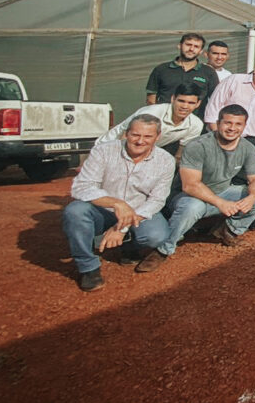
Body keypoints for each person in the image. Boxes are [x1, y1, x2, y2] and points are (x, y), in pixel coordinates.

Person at [139, 104, 255, 270]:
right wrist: (220, 203)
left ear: (245, 126)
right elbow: (190, 185)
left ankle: (229, 230)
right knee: (193, 207)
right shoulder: (199, 145)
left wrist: (251, 198)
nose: (232, 128)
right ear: (218, 123)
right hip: (189, 197)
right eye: (227, 123)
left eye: (238, 124)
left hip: (222, 193)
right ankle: (163, 249)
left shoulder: (247, 148)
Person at [62, 115, 173, 291]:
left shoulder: (166, 160)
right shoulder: (103, 151)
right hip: (102, 210)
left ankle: (129, 246)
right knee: (75, 211)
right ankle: (88, 268)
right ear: (126, 134)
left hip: (139, 212)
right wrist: (116, 203)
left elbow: (157, 200)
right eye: (135, 135)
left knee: (156, 236)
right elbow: (81, 187)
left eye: (148, 137)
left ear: (157, 137)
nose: (140, 141)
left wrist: (120, 228)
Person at [97, 83, 205, 156]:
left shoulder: (196, 124)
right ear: (173, 99)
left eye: (191, 103)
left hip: (142, 152)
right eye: (181, 101)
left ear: (198, 104)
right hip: (108, 148)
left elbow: (180, 155)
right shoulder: (151, 113)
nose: (185, 107)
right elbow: (125, 139)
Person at [202, 58, 255, 154]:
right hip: (223, 136)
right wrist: (219, 138)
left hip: (250, 142)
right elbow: (212, 111)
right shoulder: (234, 80)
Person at [146, 32, 217, 108]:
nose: (191, 49)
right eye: (188, 45)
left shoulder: (209, 72)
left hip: (196, 118)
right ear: (179, 45)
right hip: (165, 118)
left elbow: (216, 99)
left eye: (196, 46)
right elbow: (151, 99)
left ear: (201, 51)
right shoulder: (161, 69)